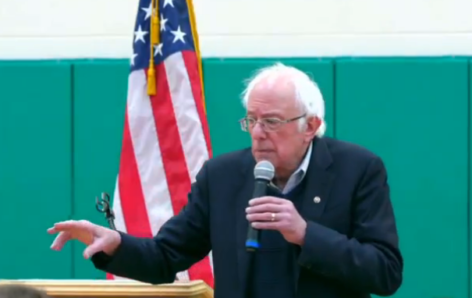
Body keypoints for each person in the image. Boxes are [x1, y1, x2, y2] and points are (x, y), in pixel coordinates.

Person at [48, 62, 403, 298]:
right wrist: (115, 244)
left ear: (309, 126)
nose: (259, 133)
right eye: (252, 120)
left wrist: (306, 234)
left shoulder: (358, 169)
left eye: (272, 122)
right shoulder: (223, 176)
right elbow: (166, 256)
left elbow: (385, 272)